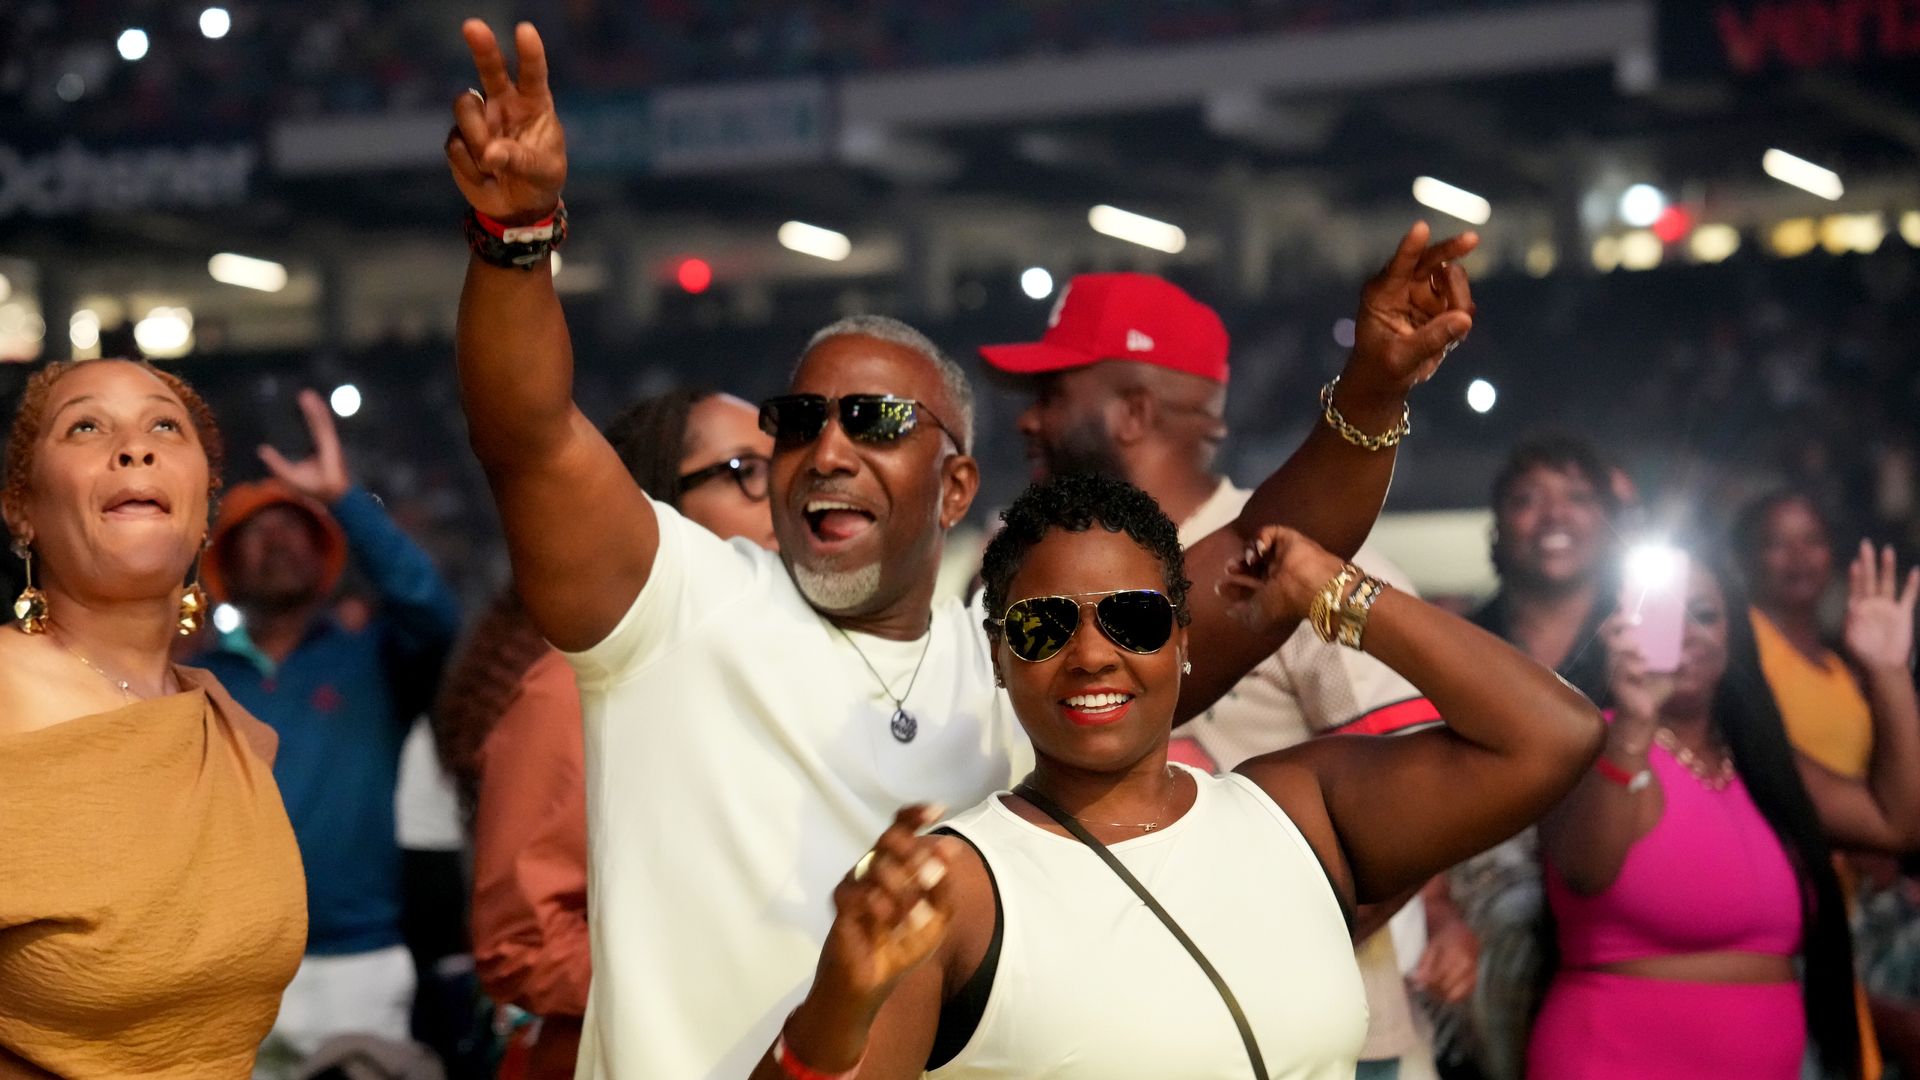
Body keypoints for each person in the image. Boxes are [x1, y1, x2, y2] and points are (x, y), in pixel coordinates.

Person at [445, 19, 1477, 1078]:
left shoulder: (1019, 664)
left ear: (958, 485)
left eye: (878, 422)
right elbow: (527, 439)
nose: (828, 448)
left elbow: (1270, 557)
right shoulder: (674, 603)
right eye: (800, 421)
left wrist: (1373, 393)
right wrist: (515, 238)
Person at [753, 472, 1603, 1079]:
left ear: (1184, 639)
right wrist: (835, 1010)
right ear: (1000, 657)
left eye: (1132, 617)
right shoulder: (956, 891)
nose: (1092, 655)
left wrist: (1335, 591)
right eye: (1044, 627)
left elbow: (1552, 736)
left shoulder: (1296, 811)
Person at [980, 271, 1476, 1078]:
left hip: (1324, 1034)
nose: (1030, 419)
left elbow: (1422, 802)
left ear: (1134, 412)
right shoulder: (1027, 574)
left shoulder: (1300, 570)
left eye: (1053, 391)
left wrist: (1257, 952)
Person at [435, 387, 777, 1079]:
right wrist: (725, 982)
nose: (785, 498)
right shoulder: (571, 687)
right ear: (653, 504)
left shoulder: (779, 661)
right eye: (747, 472)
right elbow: (522, 942)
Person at [0, 358, 306, 1076]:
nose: (135, 448)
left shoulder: (227, 729)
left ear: (205, 509)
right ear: (22, 508)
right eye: (85, 426)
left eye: (164, 426)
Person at [1530, 544, 1920, 1079]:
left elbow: (1896, 822)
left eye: (1706, 614)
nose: (1687, 631)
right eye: (1663, 613)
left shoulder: (1761, 763)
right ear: (1616, 627)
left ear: (1735, 633)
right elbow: (1585, 870)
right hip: (1614, 1057)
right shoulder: (1590, 739)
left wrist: (1888, 672)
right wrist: (1633, 726)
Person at [193, 388, 461, 1072]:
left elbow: (431, 609)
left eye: (295, 531)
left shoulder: (371, 659)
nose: (278, 542)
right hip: (233, 966)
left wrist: (344, 499)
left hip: (362, 960)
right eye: (258, 533)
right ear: (227, 564)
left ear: (325, 559)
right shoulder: (196, 681)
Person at [1446, 435, 1625, 1080]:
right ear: (1496, 535)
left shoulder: (1658, 648)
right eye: (1527, 500)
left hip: (1625, 917)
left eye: (1577, 498)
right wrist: (1438, 915)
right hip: (1487, 937)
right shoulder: (1456, 648)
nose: (1553, 516)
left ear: (1611, 526)